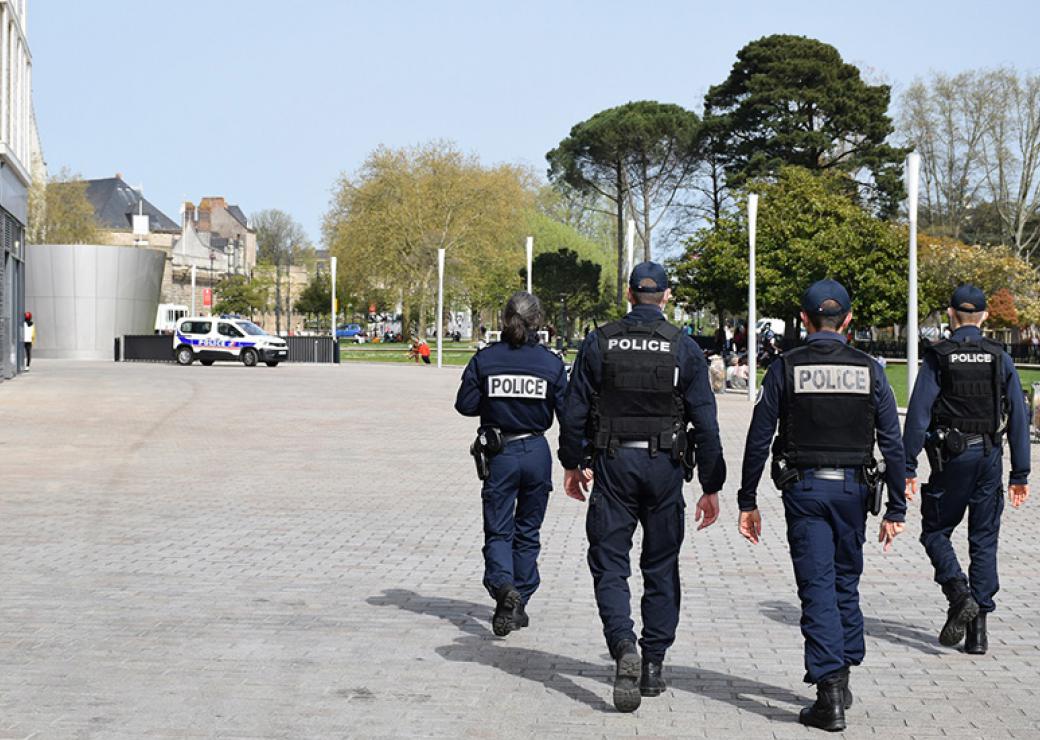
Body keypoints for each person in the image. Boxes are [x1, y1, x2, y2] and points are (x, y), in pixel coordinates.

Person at [737, 279, 906, 732]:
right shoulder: (870, 369)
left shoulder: (785, 367)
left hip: (806, 491)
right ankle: (844, 669)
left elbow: (758, 438)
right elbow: (892, 442)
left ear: (804, 319)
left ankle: (830, 691)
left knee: (817, 588)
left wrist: (748, 499)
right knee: (845, 582)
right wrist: (896, 509)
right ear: (848, 321)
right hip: (854, 492)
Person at [559, 262, 725, 713]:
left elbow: (574, 409)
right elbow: (706, 421)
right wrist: (712, 484)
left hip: (613, 464)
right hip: (665, 466)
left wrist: (572, 462)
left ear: (630, 295)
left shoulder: (600, 341)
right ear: (666, 297)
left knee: (610, 562)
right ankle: (652, 663)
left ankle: (622, 645)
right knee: (660, 564)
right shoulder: (683, 347)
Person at [903, 284, 1030, 655]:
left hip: (953, 459)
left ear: (950, 314)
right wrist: (1019, 473)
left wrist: (907, 465)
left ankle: (958, 594)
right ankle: (978, 634)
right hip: (991, 457)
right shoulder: (998, 355)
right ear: (986, 317)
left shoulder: (939, 356)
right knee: (984, 540)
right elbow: (1019, 417)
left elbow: (918, 414)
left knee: (935, 531)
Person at [454, 292, 568, 637]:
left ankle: (504, 589)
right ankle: (522, 596)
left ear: (505, 320)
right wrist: (577, 460)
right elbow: (569, 414)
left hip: (500, 452)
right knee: (528, 530)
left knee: (499, 529)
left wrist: (495, 402)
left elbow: (465, 404)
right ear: (538, 321)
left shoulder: (486, 359)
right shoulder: (551, 363)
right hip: (536, 450)